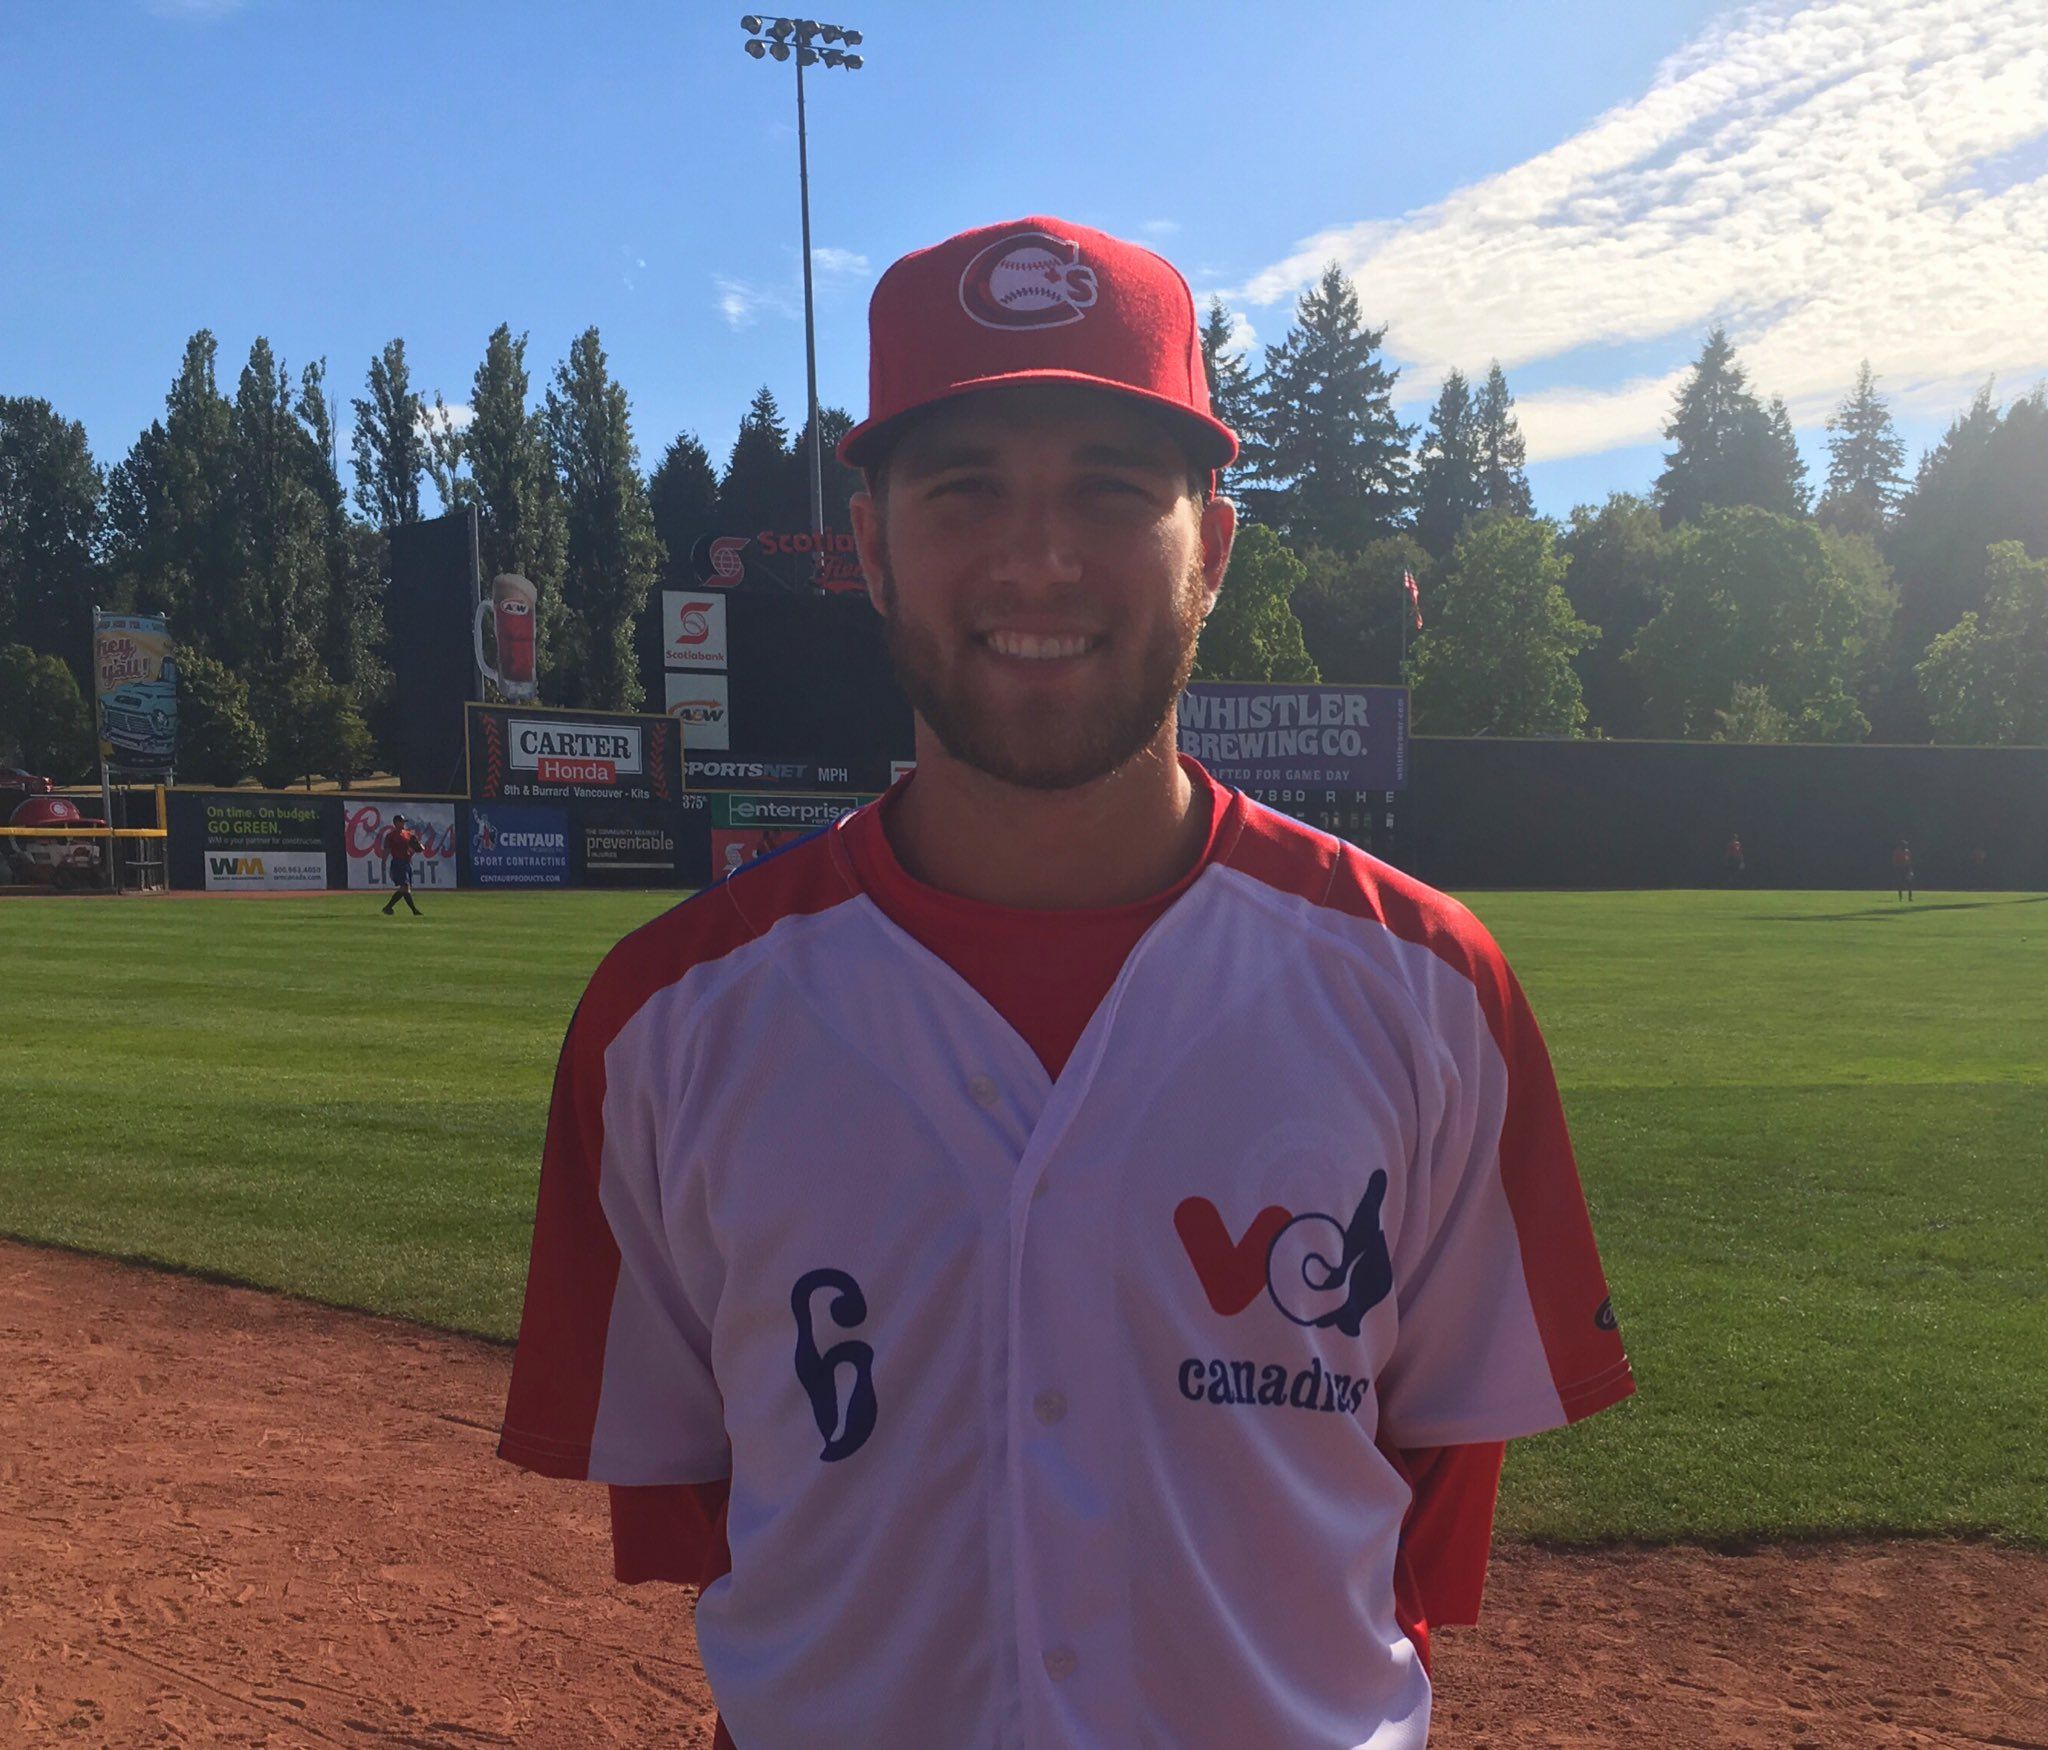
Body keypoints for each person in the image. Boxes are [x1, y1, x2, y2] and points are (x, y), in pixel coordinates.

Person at [497, 217, 1634, 1749]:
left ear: (1212, 547)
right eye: (966, 487)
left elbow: (1426, 1524)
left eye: (1113, 487)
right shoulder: (667, 1022)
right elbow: (711, 1522)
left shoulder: (1430, 988)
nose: (1040, 556)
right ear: (874, 546)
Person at [380, 812, 424, 916]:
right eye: (401, 822)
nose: (403, 823)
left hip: (407, 863)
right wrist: (383, 862)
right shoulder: (391, 836)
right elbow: (387, 849)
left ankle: (388, 907)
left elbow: (416, 847)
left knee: (405, 889)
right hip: (398, 862)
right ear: (395, 823)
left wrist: (420, 847)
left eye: (404, 822)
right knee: (405, 887)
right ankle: (414, 911)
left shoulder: (408, 834)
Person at [1893, 837, 1916, 902]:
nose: (1905, 846)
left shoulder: (1907, 852)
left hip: (1907, 868)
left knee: (1909, 883)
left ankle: (1910, 897)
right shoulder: (1897, 852)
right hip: (1900, 868)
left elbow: (1910, 861)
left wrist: (1910, 870)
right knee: (1900, 883)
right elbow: (1895, 861)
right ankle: (1900, 897)